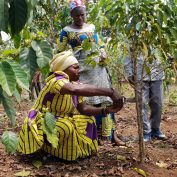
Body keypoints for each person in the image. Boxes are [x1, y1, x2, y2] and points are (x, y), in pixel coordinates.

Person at [18, 51, 124, 161]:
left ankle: (76, 152)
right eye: (75, 68)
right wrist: (110, 92)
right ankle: (46, 150)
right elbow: (74, 90)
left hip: (61, 117)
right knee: (65, 126)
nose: (79, 70)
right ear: (63, 69)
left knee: (88, 119)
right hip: (43, 119)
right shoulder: (55, 81)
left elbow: (83, 108)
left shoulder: (74, 84)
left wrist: (105, 110)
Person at [57, 0, 125, 145]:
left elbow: (100, 44)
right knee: (84, 101)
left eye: (82, 15)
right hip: (78, 69)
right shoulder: (66, 31)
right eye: (77, 16)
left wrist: (103, 54)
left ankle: (111, 135)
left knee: (104, 98)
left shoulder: (92, 28)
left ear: (85, 14)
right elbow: (60, 52)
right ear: (71, 15)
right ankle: (92, 136)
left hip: (96, 69)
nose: (80, 18)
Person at [124, 51, 166, 142]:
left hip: (157, 73)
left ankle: (155, 129)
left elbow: (165, 50)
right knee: (142, 104)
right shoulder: (133, 37)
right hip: (140, 75)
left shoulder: (159, 37)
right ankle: (146, 132)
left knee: (158, 104)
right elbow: (127, 56)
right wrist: (130, 74)